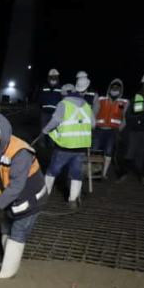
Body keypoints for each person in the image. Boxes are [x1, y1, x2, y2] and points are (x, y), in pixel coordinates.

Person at [0, 113, 48, 279]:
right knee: (6, 228)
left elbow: (17, 186)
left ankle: (8, 272)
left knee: (18, 232)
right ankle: (8, 261)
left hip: (30, 198)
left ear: (3, 133)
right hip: (9, 199)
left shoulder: (19, 152)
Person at [42, 79, 93, 208]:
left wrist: (45, 130)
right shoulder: (86, 105)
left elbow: (55, 121)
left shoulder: (63, 104)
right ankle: (72, 201)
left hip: (64, 146)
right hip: (81, 147)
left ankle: (44, 196)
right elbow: (93, 124)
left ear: (64, 94)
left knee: (52, 170)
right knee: (76, 173)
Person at [92, 79, 129, 179]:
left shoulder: (124, 102)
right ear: (110, 87)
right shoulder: (101, 99)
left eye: (117, 87)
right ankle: (94, 173)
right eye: (113, 87)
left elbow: (125, 118)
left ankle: (103, 174)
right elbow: (94, 112)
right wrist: (93, 125)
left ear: (121, 89)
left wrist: (119, 129)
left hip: (113, 131)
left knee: (108, 152)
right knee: (95, 150)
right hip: (99, 129)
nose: (115, 89)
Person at [37, 69, 63, 148]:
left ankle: (51, 145)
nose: (53, 78)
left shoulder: (60, 88)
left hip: (55, 113)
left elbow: (62, 100)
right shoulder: (44, 86)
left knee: (53, 129)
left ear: (57, 77)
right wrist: (41, 106)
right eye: (52, 76)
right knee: (43, 128)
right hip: (44, 112)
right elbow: (40, 98)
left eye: (55, 76)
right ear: (49, 77)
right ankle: (42, 145)